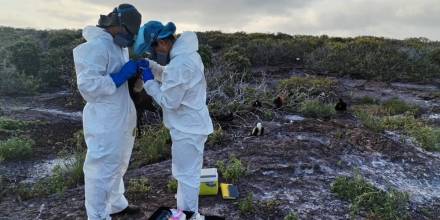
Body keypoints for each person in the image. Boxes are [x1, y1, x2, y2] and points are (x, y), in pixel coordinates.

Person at [134, 21, 214, 218]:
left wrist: (149, 82)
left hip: (188, 128)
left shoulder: (180, 63)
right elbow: (172, 77)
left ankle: (188, 215)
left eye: (153, 49)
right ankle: (186, 213)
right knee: (187, 175)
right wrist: (152, 67)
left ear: (161, 43)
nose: (154, 53)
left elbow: (169, 101)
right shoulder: (187, 56)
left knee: (186, 177)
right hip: (191, 126)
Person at [72, 4, 143, 219]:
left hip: (118, 118)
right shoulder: (95, 47)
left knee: (117, 163)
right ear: (117, 25)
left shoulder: (116, 45)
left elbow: (116, 82)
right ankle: (98, 216)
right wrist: (119, 76)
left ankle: (116, 204)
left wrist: (132, 77)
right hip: (105, 121)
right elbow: (88, 87)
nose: (129, 38)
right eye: (128, 33)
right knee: (101, 171)